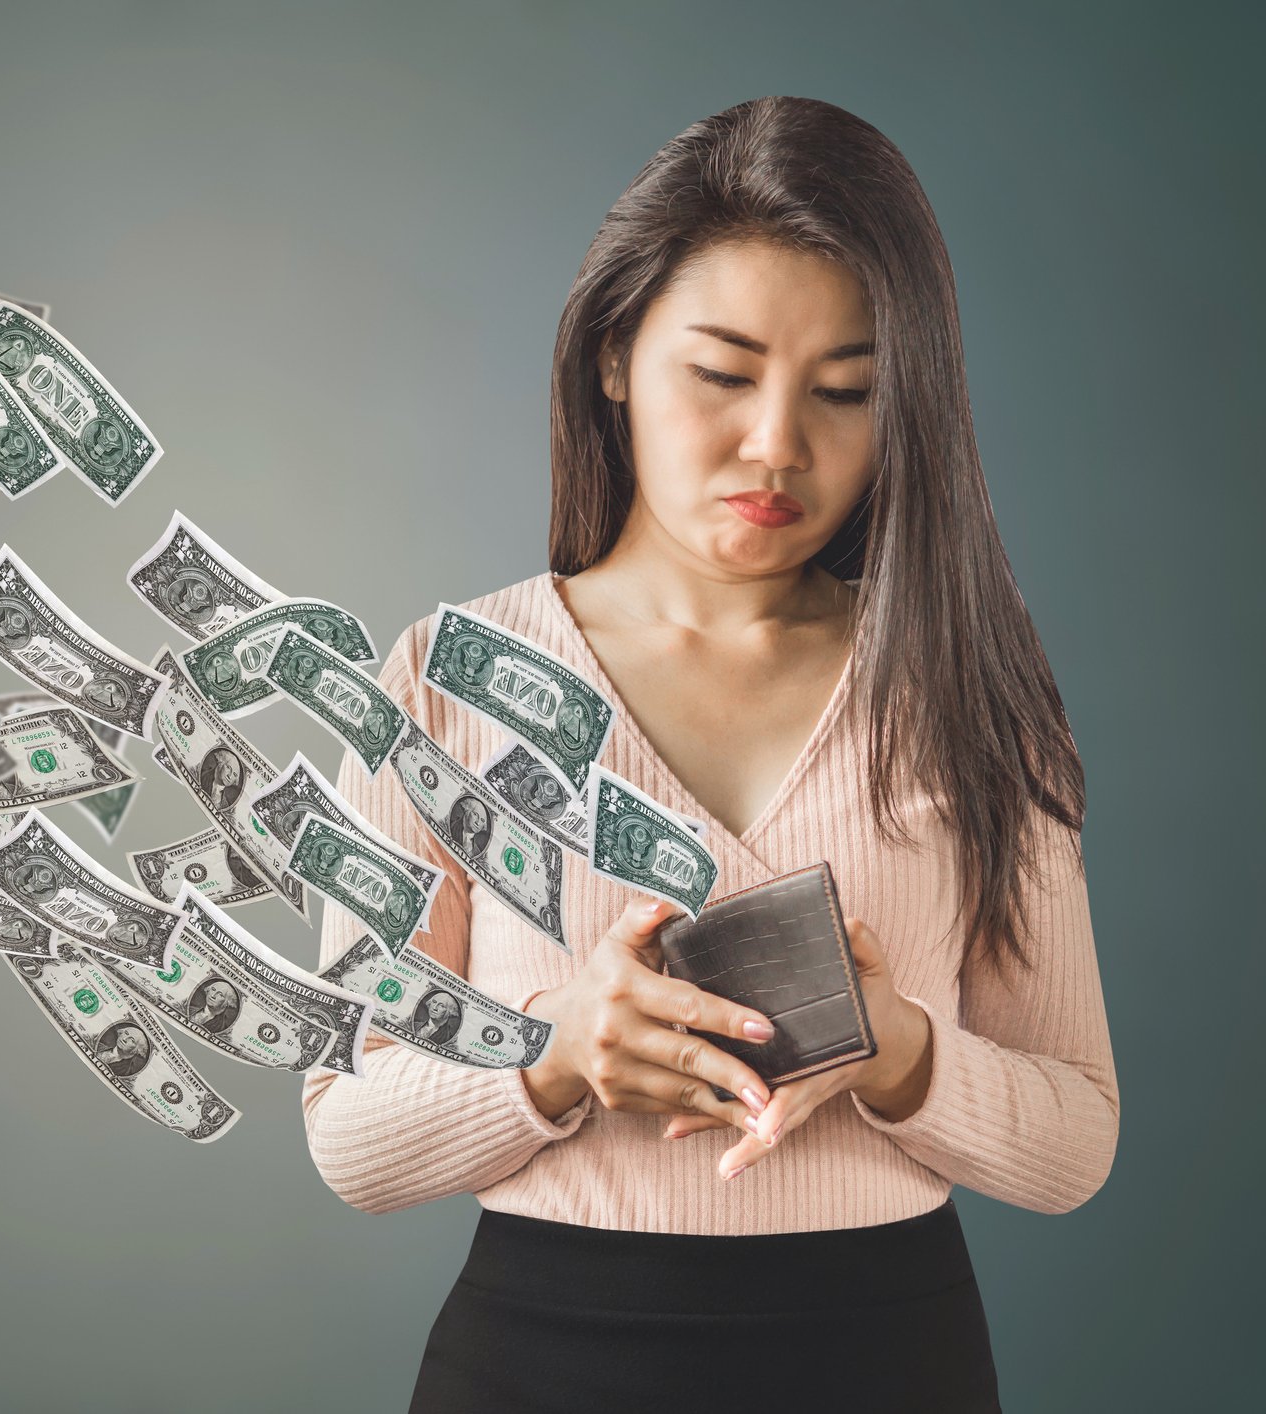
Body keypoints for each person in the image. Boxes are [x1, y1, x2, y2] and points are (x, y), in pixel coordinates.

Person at [301, 98, 1117, 1414]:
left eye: (844, 391)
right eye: (722, 373)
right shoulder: (440, 680)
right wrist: (552, 1053)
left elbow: (1074, 1138)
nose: (777, 446)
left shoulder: (970, 691)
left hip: (888, 1357)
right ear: (612, 354)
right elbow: (347, 1130)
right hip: (538, 1359)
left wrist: (898, 1050)